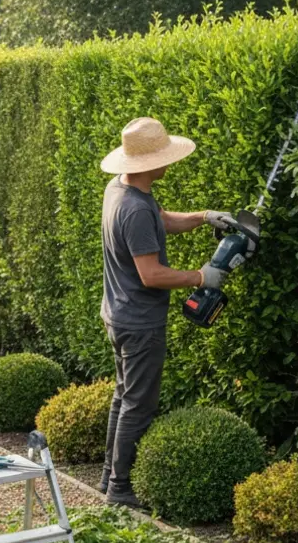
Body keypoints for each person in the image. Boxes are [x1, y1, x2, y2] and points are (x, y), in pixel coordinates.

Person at [97, 117, 232, 508]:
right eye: (163, 156)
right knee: (139, 404)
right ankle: (121, 490)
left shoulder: (121, 189)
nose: (169, 162)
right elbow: (151, 274)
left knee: (124, 398)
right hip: (139, 322)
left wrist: (204, 216)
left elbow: (162, 219)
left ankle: (109, 476)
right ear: (148, 163)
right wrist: (200, 277)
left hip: (119, 313)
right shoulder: (135, 209)